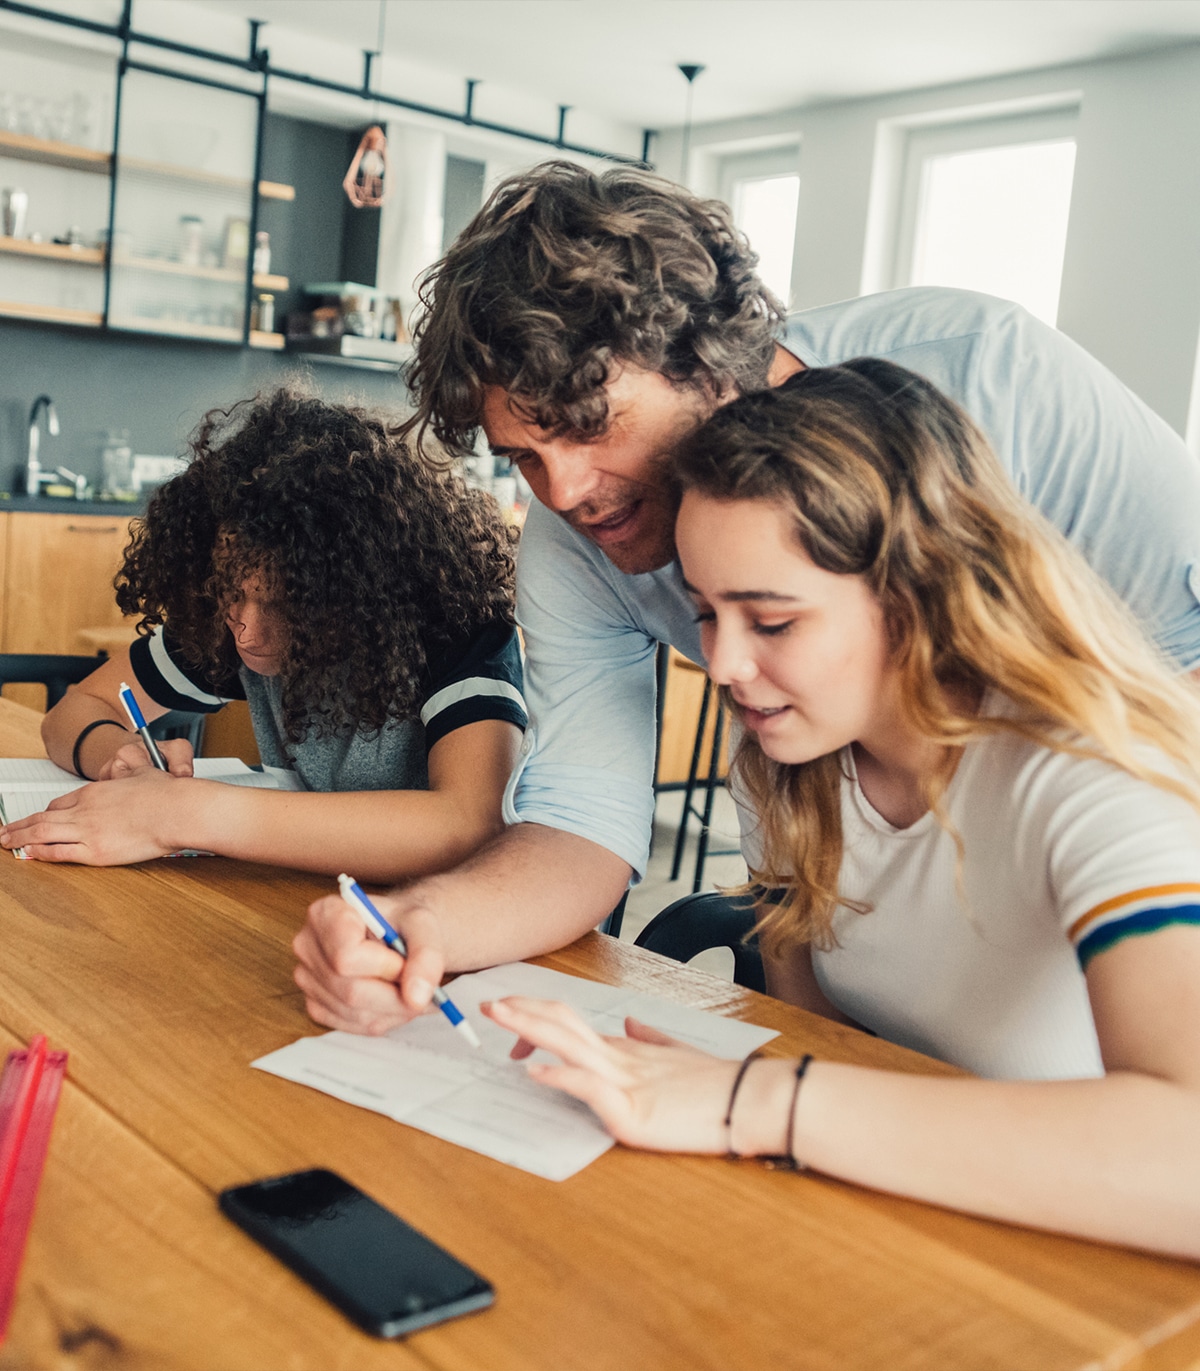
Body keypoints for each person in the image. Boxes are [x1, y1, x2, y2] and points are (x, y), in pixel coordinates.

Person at [291, 160, 1200, 1035]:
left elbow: (1162, 693)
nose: (562, 492)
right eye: (523, 455)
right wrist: (421, 928)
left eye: (588, 426)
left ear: (708, 366)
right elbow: (582, 824)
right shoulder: (747, 729)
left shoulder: (992, 381)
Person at [480, 361, 1200, 1260]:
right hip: (905, 1224)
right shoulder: (790, 760)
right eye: (706, 613)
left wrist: (752, 1100)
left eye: (772, 622)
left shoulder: (1096, 767)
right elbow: (815, 1030)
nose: (725, 665)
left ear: (921, 589)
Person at [0, 389, 527, 882]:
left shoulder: (457, 623)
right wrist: (117, 755)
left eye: (283, 603)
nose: (245, 626)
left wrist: (185, 813)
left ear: (356, 591)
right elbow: (77, 709)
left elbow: (468, 823)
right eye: (230, 588)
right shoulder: (231, 620)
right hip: (320, 893)